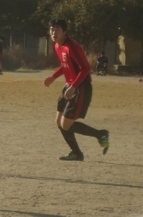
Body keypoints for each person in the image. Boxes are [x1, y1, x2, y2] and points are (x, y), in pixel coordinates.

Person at [44, 19, 110, 161]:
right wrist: (53, 77)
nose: (54, 32)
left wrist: (74, 87)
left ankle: (100, 134)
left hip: (81, 87)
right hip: (69, 86)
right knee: (59, 122)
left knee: (66, 124)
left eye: (57, 29)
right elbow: (65, 65)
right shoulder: (57, 46)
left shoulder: (71, 46)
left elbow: (86, 68)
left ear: (65, 32)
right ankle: (77, 153)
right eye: (52, 29)